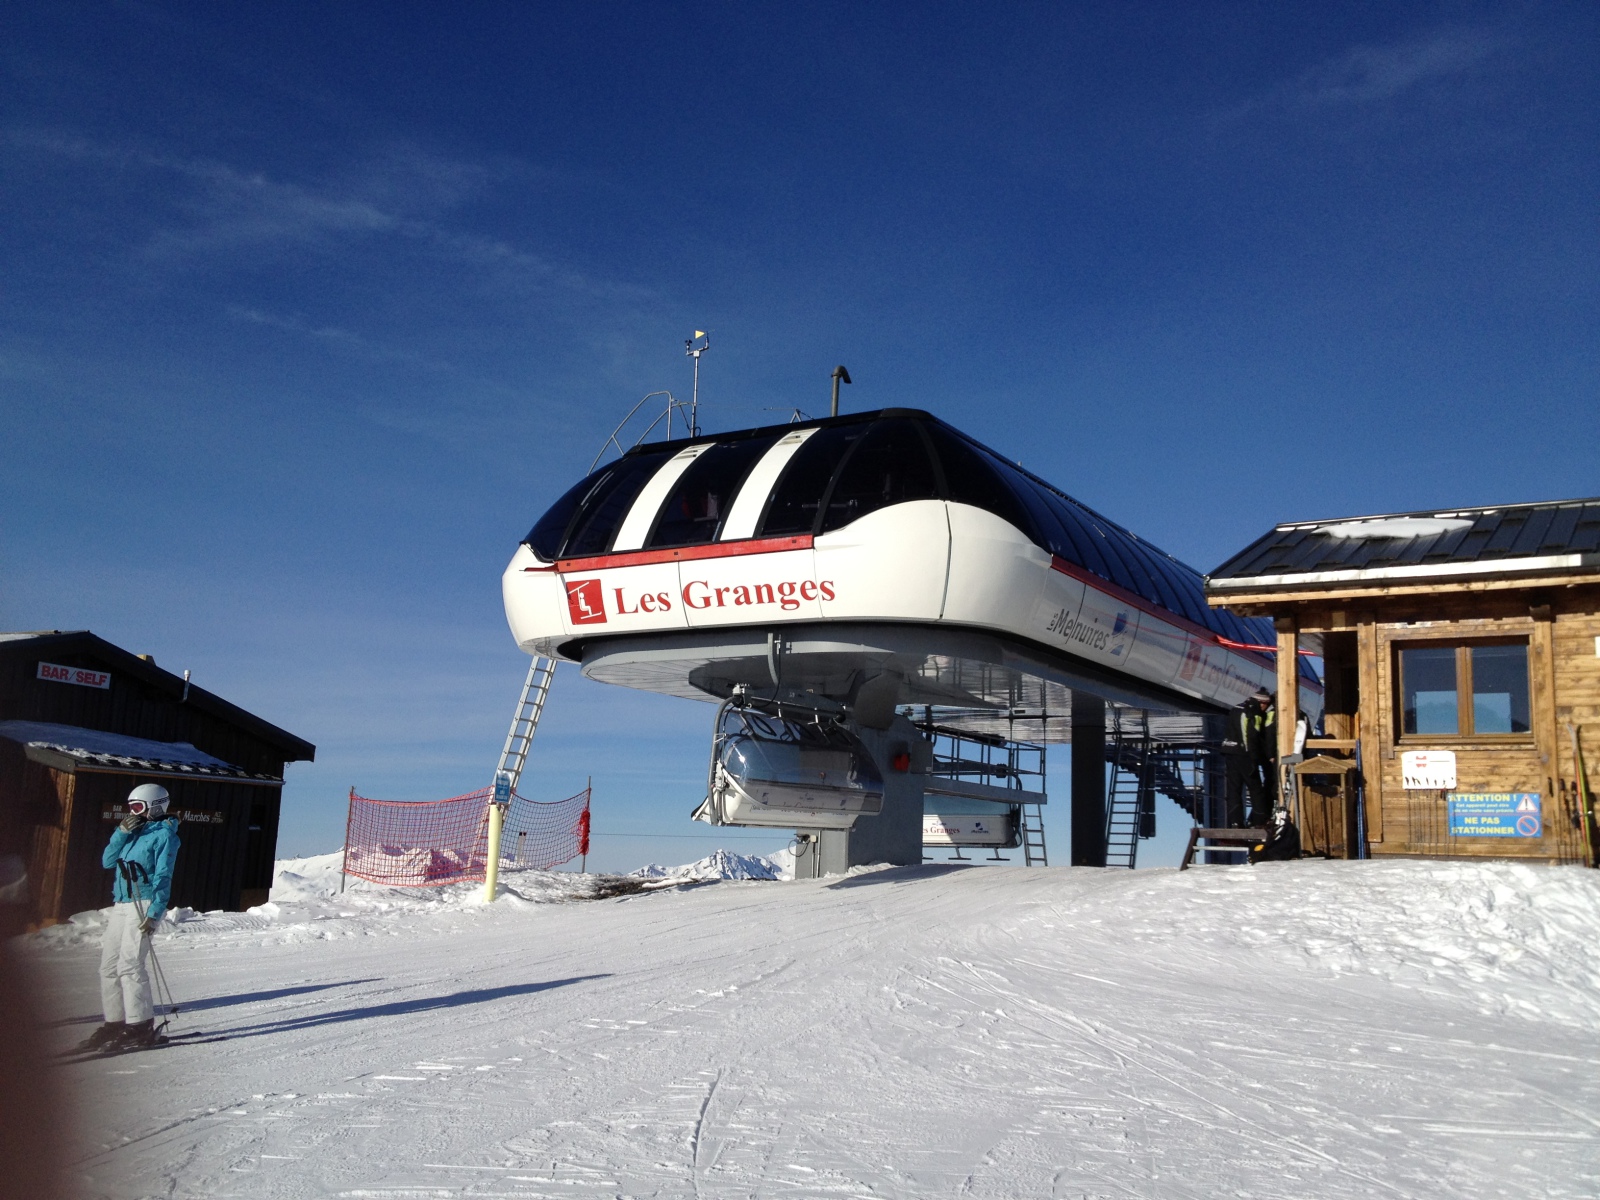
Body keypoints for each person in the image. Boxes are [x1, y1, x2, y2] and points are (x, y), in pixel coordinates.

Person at [75, 783, 181, 1052]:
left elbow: (163, 876)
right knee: (108, 967)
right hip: (122, 903)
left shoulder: (165, 836)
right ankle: (114, 1022)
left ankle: (140, 1024)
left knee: (130, 965)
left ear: (155, 806)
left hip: (143, 902)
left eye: (137, 807)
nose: (132, 813)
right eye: (130, 808)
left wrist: (155, 912)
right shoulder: (131, 832)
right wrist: (121, 833)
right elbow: (107, 861)